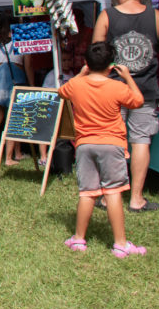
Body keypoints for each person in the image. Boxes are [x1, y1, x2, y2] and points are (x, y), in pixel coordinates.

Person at [92, 0, 159, 212]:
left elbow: (96, 53)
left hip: (112, 90)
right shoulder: (158, 18)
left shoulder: (107, 16)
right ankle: (137, 199)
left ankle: (109, 196)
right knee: (141, 141)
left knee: (112, 140)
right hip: (146, 90)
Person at [59, 42, 146, 257]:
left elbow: (61, 92)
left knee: (87, 192)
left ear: (86, 63)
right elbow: (138, 101)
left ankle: (79, 239)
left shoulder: (76, 85)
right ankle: (120, 244)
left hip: (85, 145)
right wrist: (127, 77)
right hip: (112, 144)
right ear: (111, 67)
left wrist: (80, 74)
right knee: (113, 191)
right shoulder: (117, 87)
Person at [0, 15, 32, 165]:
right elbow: (28, 65)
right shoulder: (22, 38)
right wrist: (32, 84)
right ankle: (9, 158)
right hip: (17, 77)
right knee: (13, 120)